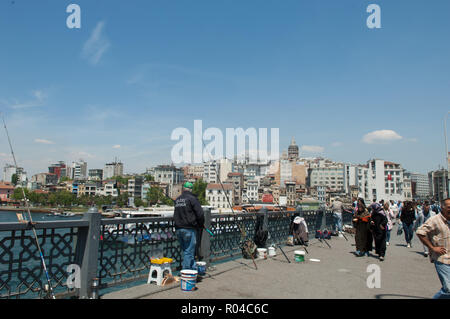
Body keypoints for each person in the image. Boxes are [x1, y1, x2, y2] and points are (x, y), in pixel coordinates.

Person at [416, 198, 450, 299]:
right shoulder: (434, 220)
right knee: (448, 288)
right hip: (442, 258)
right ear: (442, 208)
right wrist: (432, 247)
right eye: (449, 207)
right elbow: (420, 232)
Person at [174, 181, 205, 271]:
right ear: (191, 189)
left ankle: (193, 270)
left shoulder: (178, 199)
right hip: (189, 229)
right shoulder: (192, 199)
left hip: (179, 229)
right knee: (189, 252)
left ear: (184, 189)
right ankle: (186, 274)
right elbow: (200, 214)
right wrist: (200, 224)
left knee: (186, 251)